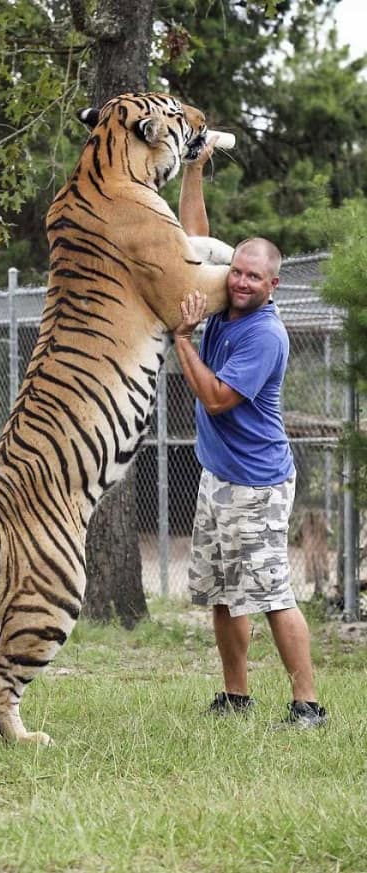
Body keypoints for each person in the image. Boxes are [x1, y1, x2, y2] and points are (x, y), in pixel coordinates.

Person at [173, 139, 327, 728]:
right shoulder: (224, 301)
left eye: (253, 276)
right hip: (219, 477)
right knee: (222, 591)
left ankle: (307, 705)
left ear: (273, 284)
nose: (240, 282)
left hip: (258, 486)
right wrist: (194, 168)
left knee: (270, 595)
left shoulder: (264, 334)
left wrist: (183, 339)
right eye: (236, 271)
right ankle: (235, 696)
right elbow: (194, 241)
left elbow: (216, 399)